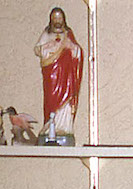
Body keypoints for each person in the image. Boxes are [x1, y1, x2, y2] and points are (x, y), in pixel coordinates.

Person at [34, 7, 83, 142]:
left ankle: (64, 128)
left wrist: (70, 47)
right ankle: (49, 125)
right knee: (50, 100)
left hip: (66, 76)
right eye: (55, 18)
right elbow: (38, 50)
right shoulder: (46, 33)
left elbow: (78, 52)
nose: (57, 21)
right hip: (51, 74)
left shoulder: (68, 34)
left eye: (59, 18)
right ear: (51, 19)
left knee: (65, 103)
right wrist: (48, 47)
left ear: (63, 19)